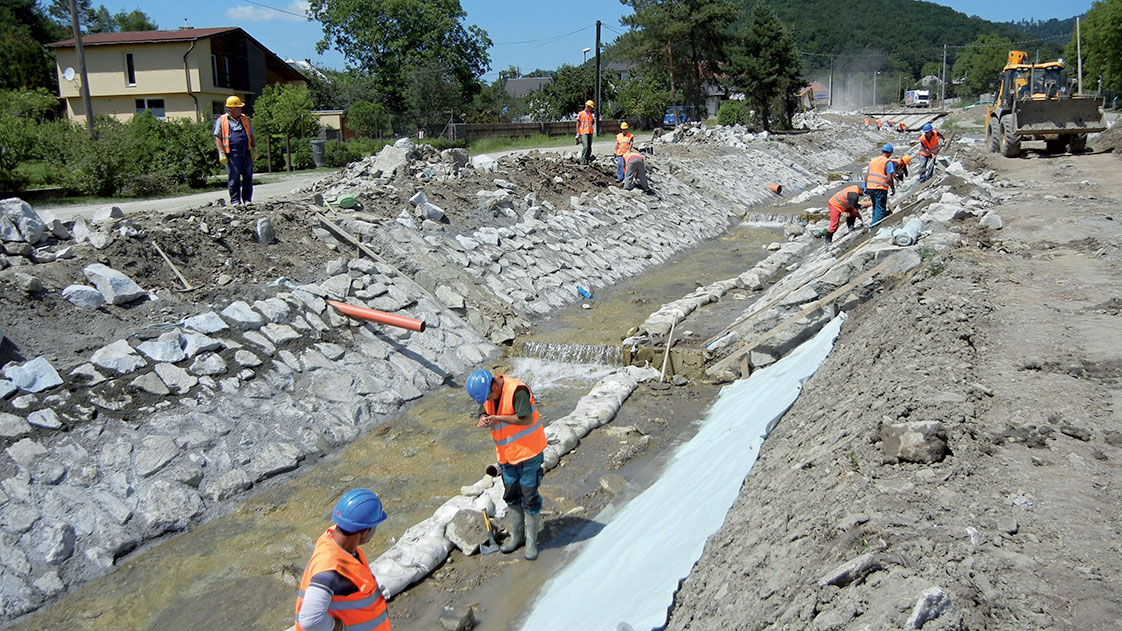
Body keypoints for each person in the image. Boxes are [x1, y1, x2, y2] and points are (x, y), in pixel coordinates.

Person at [466, 369, 547, 560]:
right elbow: (484, 408)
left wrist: (498, 418)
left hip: (528, 454)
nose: (488, 400)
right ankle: (517, 537)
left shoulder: (517, 391)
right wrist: (483, 418)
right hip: (507, 457)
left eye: (488, 396)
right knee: (511, 496)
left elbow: (526, 419)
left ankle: (531, 542)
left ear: (494, 386)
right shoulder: (489, 393)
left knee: (529, 497)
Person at [295, 489, 390, 631]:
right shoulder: (331, 568)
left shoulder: (340, 545)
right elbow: (310, 620)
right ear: (364, 532)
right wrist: (339, 628)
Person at [213, 95, 256, 206]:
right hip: (232, 154)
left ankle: (247, 199)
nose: (240, 109)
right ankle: (235, 200)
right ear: (230, 109)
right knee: (234, 178)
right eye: (238, 107)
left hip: (245, 153)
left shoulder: (244, 119)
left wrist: (254, 148)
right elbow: (218, 137)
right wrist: (221, 152)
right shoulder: (222, 120)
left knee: (248, 177)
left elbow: (251, 134)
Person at [865, 143, 896, 227]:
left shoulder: (873, 161)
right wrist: (892, 188)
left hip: (870, 187)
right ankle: (873, 227)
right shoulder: (887, 162)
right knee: (880, 209)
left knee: (875, 207)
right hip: (880, 188)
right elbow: (889, 178)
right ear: (890, 153)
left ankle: (873, 222)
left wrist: (866, 188)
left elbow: (867, 176)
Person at [577, 100, 595, 165]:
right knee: (586, 147)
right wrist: (578, 133)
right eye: (591, 107)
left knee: (589, 148)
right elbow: (578, 123)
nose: (591, 109)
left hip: (590, 132)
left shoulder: (590, 115)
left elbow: (592, 123)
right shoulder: (581, 114)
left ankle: (586, 161)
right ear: (587, 106)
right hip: (583, 132)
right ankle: (582, 162)